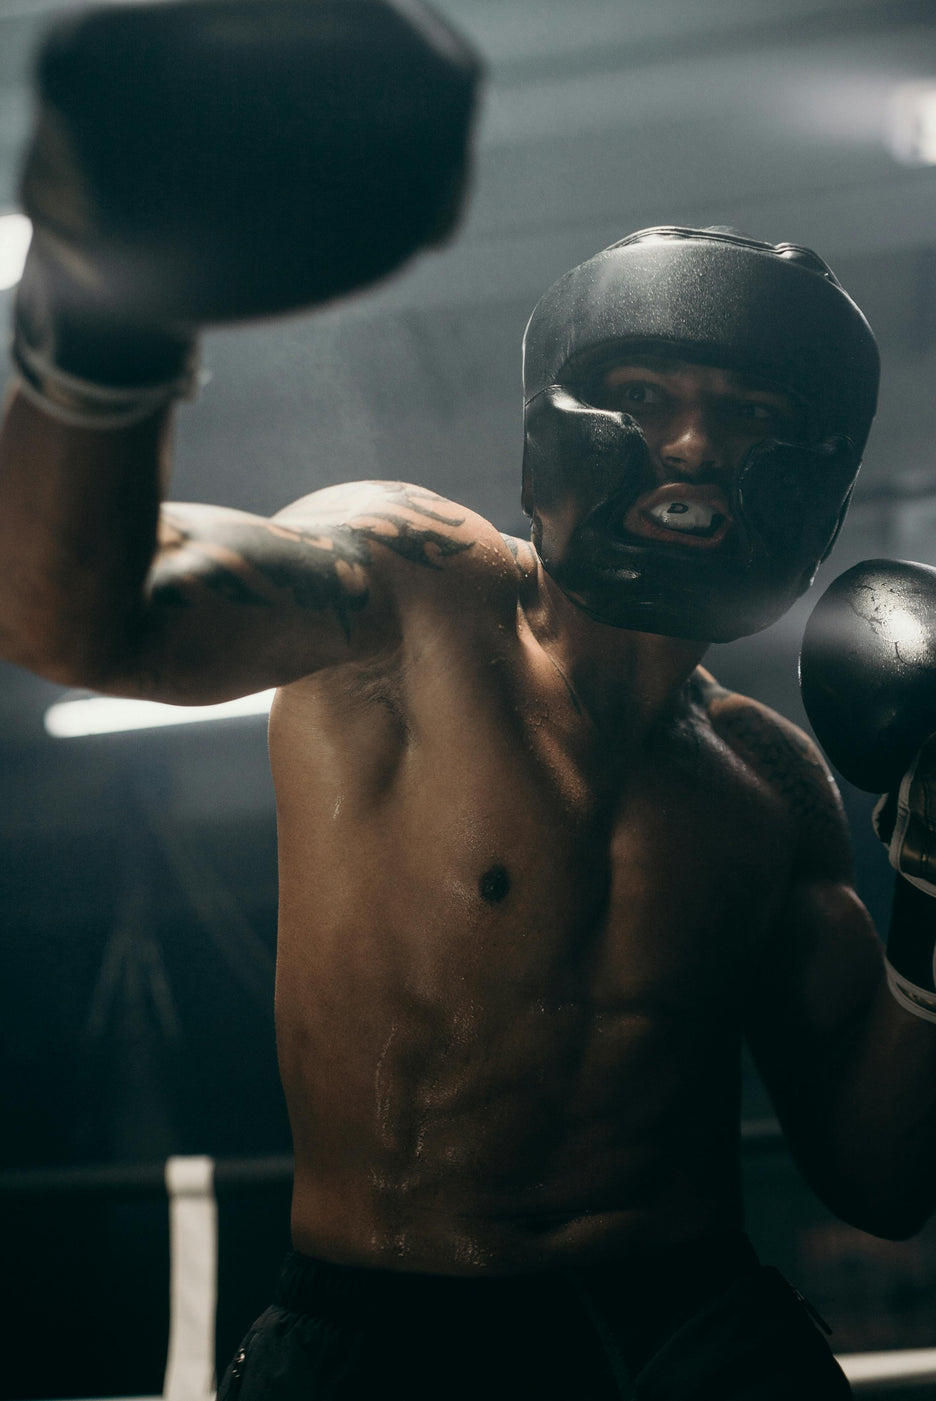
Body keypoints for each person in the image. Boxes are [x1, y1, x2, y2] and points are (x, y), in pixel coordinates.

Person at [4, 6, 936, 1399]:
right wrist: (107, 302)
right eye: (646, 392)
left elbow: (882, 1176)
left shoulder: (770, 785)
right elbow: (73, 613)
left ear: (811, 470)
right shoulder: (404, 589)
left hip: (685, 1331)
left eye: (747, 414)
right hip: (384, 1331)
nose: (691, 443)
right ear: (558, 419)